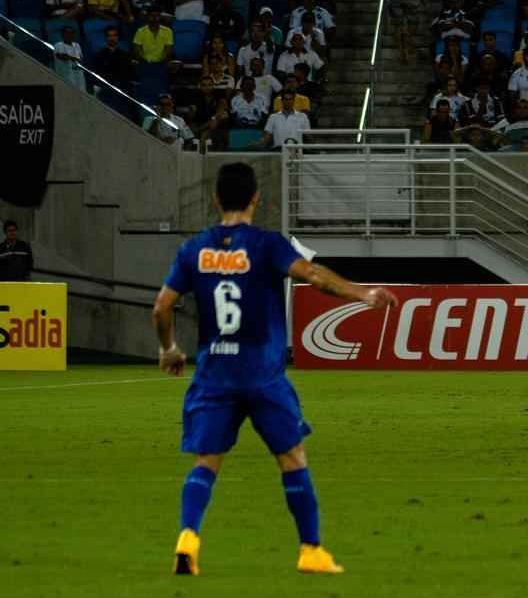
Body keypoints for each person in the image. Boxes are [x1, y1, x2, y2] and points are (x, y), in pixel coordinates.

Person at [153, 162, 399, 575]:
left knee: (207, 461)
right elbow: (314, 276)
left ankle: (188, 540)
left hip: (215, 374)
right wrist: (363, 293)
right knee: (292, 457)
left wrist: (169, 349)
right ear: (255, 198)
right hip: (262, 375)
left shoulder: (193, 249)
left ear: (215, 199)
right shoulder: (267, 245)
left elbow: (161, 307)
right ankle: (311, 551)